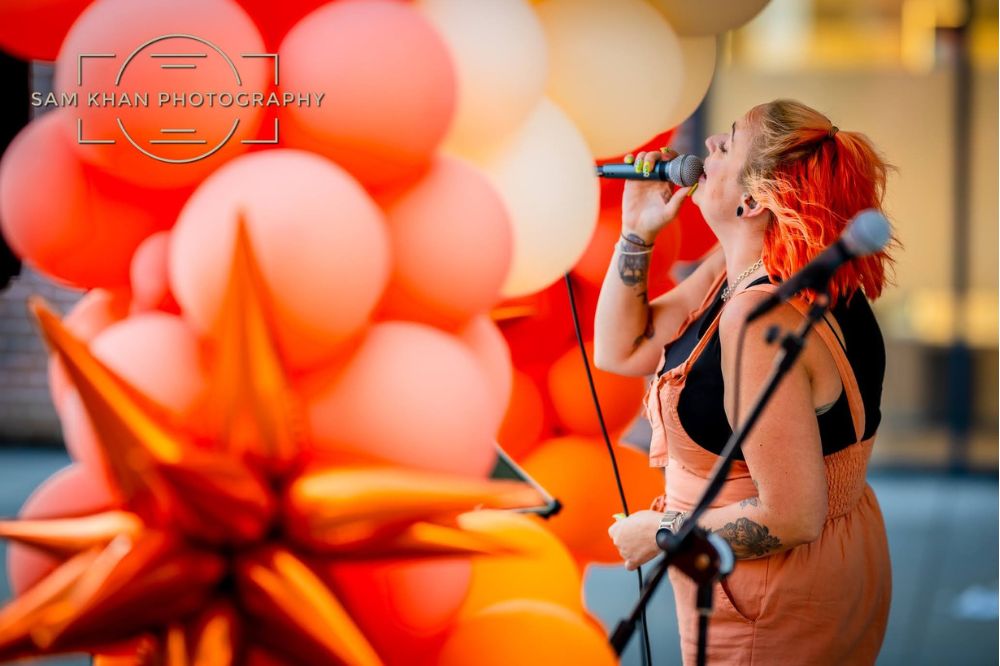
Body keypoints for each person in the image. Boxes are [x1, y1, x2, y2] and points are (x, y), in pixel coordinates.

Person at [596, 99, 896, 665]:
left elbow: (792, 515)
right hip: (823, 567)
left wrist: (661, 531)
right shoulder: (743, 267)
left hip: (772, 597)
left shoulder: (756, 321)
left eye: (728, 142)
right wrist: (635, 234)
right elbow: (622, 349)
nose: (708, 145)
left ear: (754, 199)